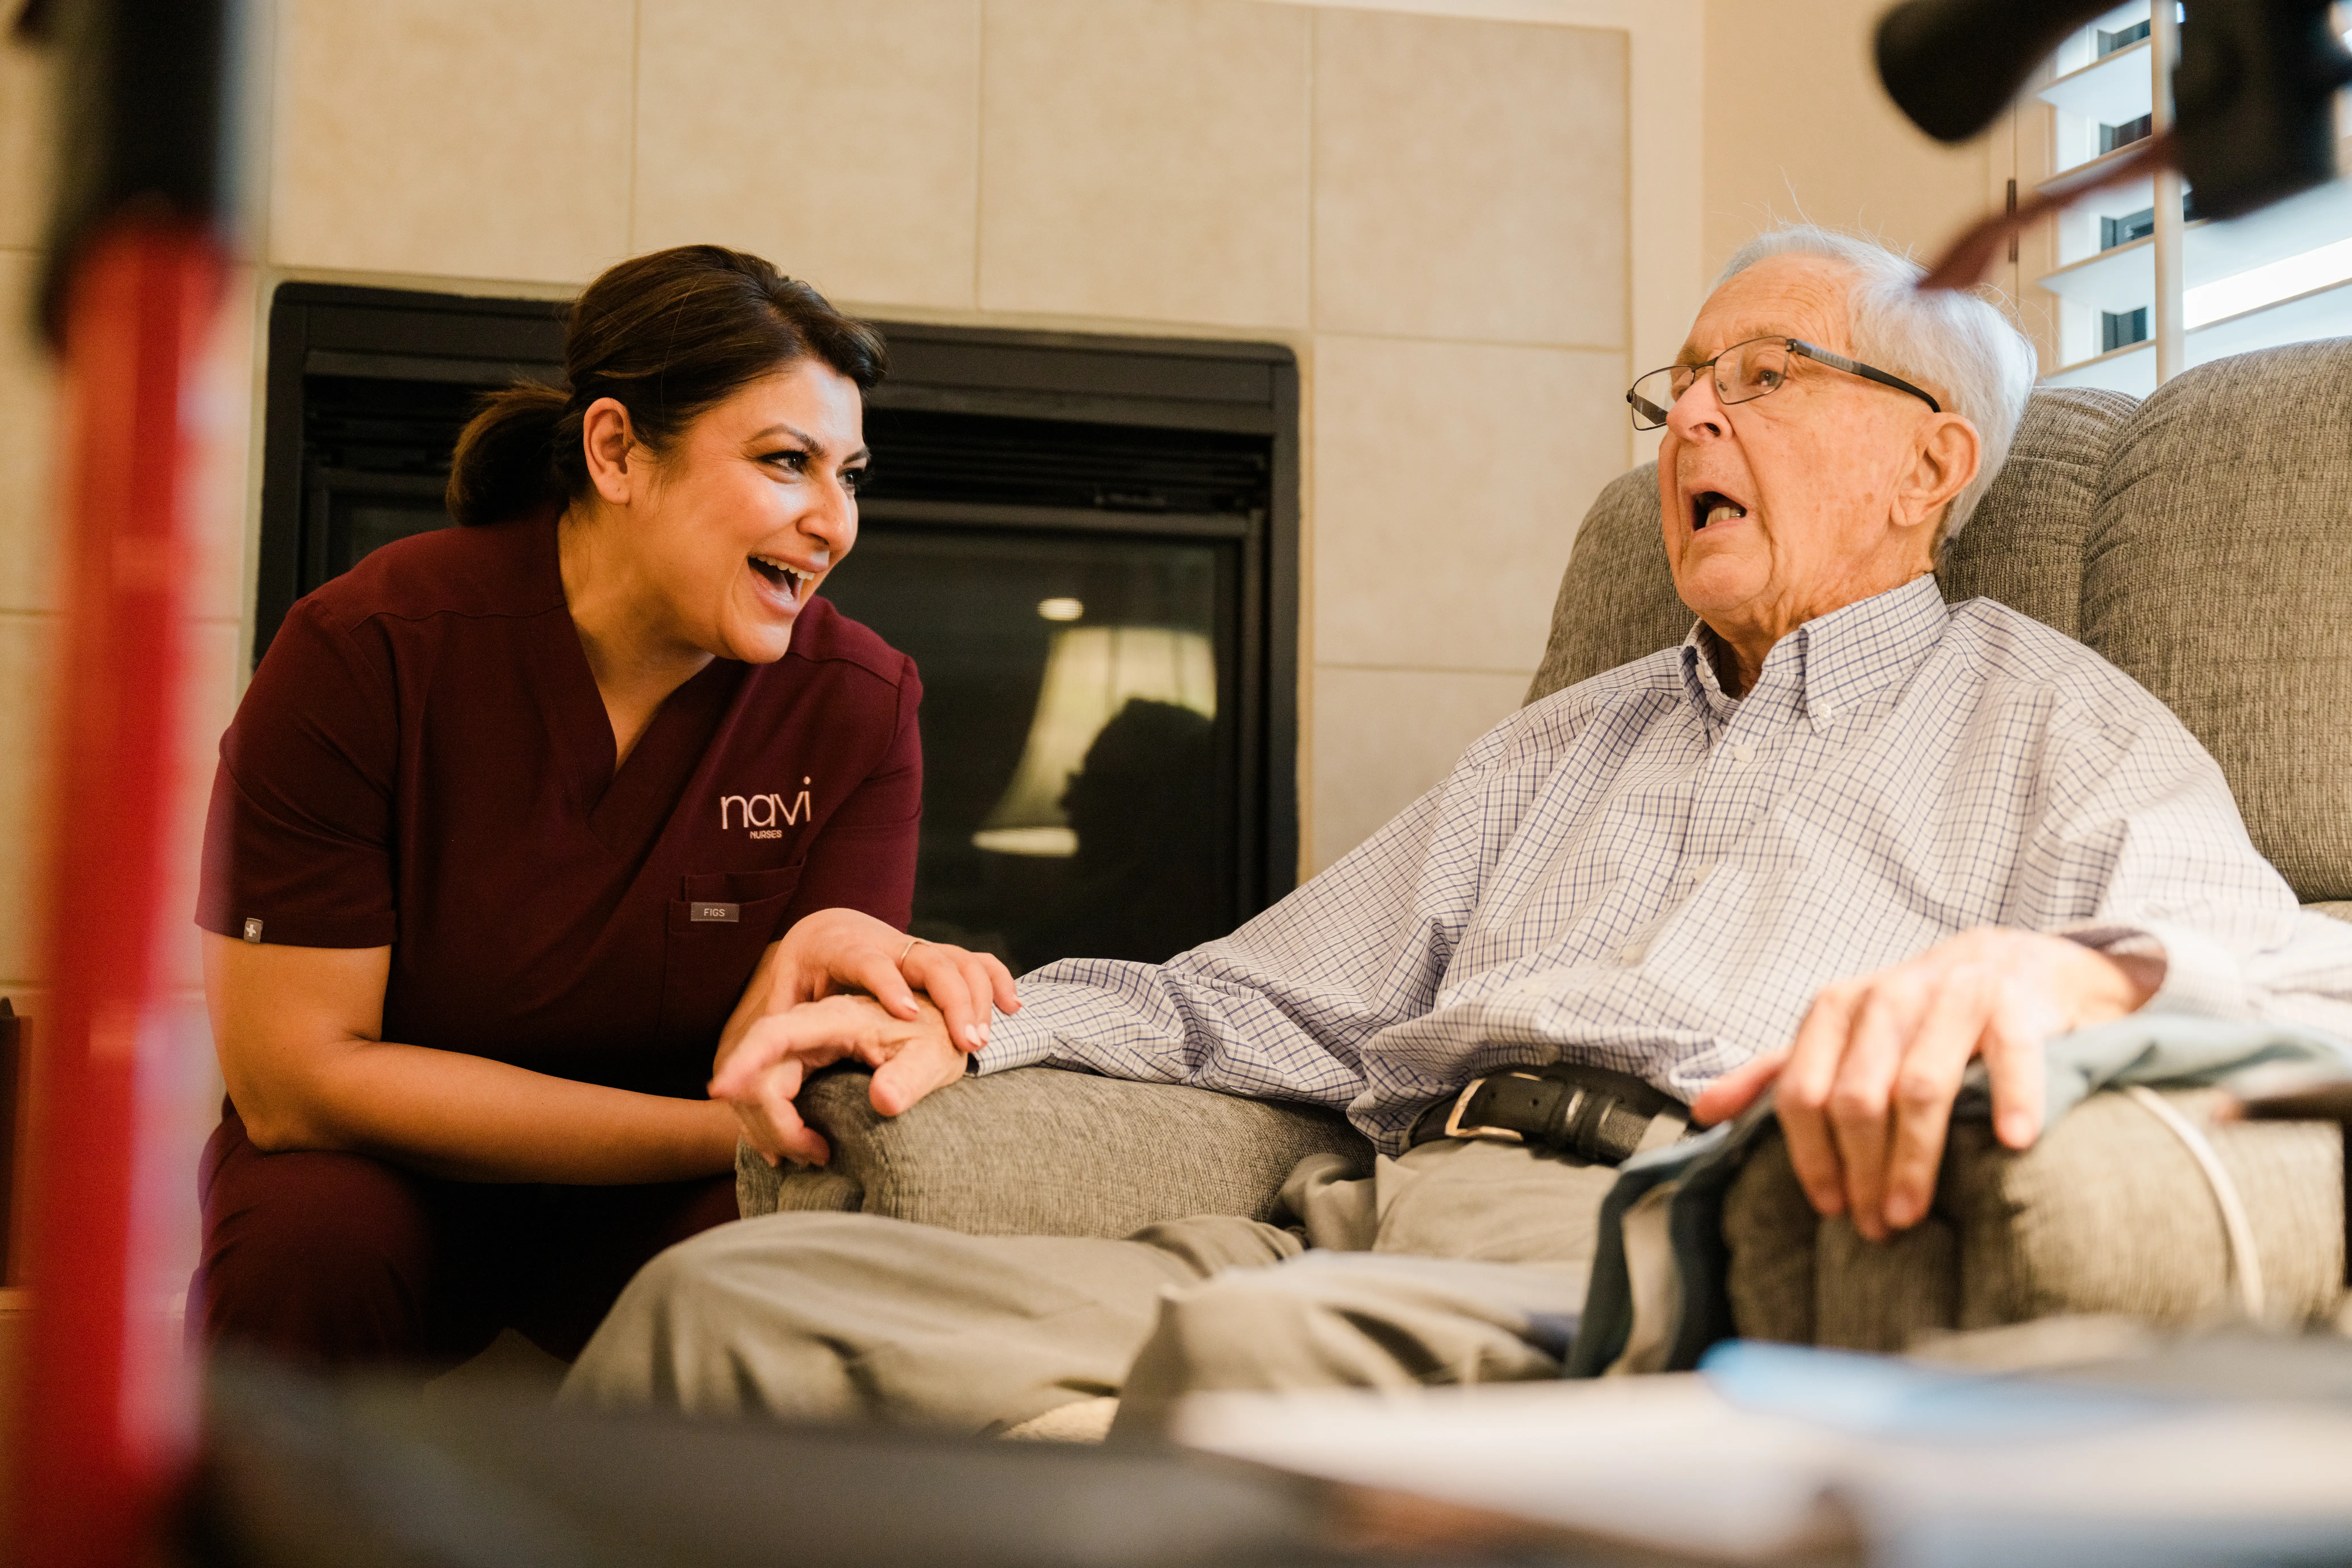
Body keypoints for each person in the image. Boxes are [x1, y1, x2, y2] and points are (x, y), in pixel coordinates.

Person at [561, 227, 2352, 1430]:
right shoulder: (1562, 745)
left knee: (1241, 1365)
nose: (1692, 423)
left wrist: (2062, 981)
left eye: (1767, 375)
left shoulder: (2040, 714)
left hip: (1657, 1239)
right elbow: (1245, 1004)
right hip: (1363, 1207)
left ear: (1930, 468)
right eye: (1679, 390)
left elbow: (2287, 962)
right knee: (726, 1307)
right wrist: (966, 1009)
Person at [193, 245, 1013, 1369]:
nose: (836, 522)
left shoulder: (859, 707)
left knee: (798, 1261)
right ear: (618, 450)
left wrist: (860, 968)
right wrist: (717, 1128)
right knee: (307, 1235)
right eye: (787, 463)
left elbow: (810, 1068)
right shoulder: (364, 653)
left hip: (676, 1201)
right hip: (388, 1172)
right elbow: (293, 1084)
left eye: (852, 474)